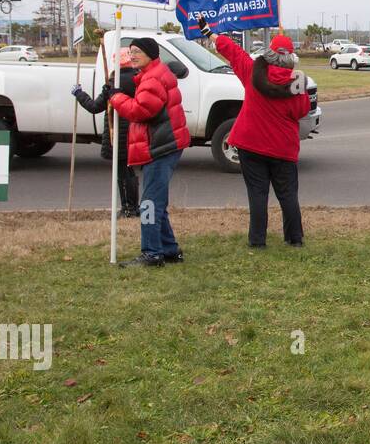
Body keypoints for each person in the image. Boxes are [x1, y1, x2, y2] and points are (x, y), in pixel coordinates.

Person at [197, 17, 311, 248]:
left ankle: (257, 241)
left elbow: (233, 51)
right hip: (283, 148)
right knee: (288, 195)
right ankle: (294, 239)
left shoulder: (252, 71)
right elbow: (301, 112)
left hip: (250, 145)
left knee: (257, 195)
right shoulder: (297, 82)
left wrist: (209, 32)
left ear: (269, 53)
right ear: (291, 58)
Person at [109, 36, 190, 267]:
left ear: (151, 55)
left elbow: (140, 111)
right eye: (131, 51)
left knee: (149, 204)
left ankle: (152, 254)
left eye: (138, 52)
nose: (133, 55)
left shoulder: (153, 79)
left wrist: (115, 97)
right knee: (156, 201)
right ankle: (169, 249)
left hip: (161, 146)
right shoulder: (153, 73)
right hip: (166, 144)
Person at [70, 47, 139, 218]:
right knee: (130, 172)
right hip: (135, 132)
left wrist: (79, 93)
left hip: (118, 133)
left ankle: (127, 209)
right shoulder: (138, 79)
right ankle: (133, 206)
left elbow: (94, 107)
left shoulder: (114, 84)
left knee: (122, 173)